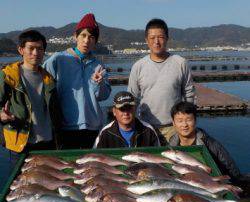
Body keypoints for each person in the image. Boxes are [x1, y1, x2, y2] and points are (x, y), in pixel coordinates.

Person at [43, 13, 111, 149]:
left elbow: (103, 96)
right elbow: (42, 85)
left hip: (92, 126)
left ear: (95, 41)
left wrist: (99, 83)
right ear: (75, 36)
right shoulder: (58, 59)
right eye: (83, 35)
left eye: (91, 37)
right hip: (65, 125)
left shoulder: (98, 65)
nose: (86, 41)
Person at [128, 18, 194, 145]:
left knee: (175, 163)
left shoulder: (180, 63)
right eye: (152, 38)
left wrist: (188, 123)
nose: (156, 42)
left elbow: (189, 94)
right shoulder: (138, 66)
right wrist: (133, 126)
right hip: (146, 127)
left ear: (167, 38)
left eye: (160, 37)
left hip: (175, 128)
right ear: (146, 40)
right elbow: (133, 98)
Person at [169, 101, 250, 197]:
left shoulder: (210, 144)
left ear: (195, 120)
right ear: (173, 123)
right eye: (180, 121)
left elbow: (229, 165)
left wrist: (236, 183)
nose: (185, 125)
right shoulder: (171, 142)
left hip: (210, 185)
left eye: (189, 120)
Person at [0, 30, 61, 153]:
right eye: (31, 48)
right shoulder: (8, 76)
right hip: (20, 143)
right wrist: (2, 116)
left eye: (39, 49)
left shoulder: (49, 79)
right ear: (21, 50)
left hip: (47, 142)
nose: (35, 53)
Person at [93, 91, 160, 148]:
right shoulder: (105, 133)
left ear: (135, 109)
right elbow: (95, 157)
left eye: (129, 108)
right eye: (122, 109)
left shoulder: (148, 131)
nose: (126, 113)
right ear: (114, 111)